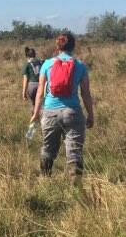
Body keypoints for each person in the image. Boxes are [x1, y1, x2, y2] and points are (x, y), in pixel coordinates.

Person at [30, 32, 94, 177]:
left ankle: (45, 181)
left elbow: (40, 91)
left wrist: (35, 113)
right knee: (74, 153)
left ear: (58, 46)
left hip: (50, 113)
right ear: (73, 46)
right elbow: (86, 93)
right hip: (73, 113)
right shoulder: (80, 66)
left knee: (48, 150)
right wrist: (90, 115)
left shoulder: (47, 64)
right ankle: (76, 185)